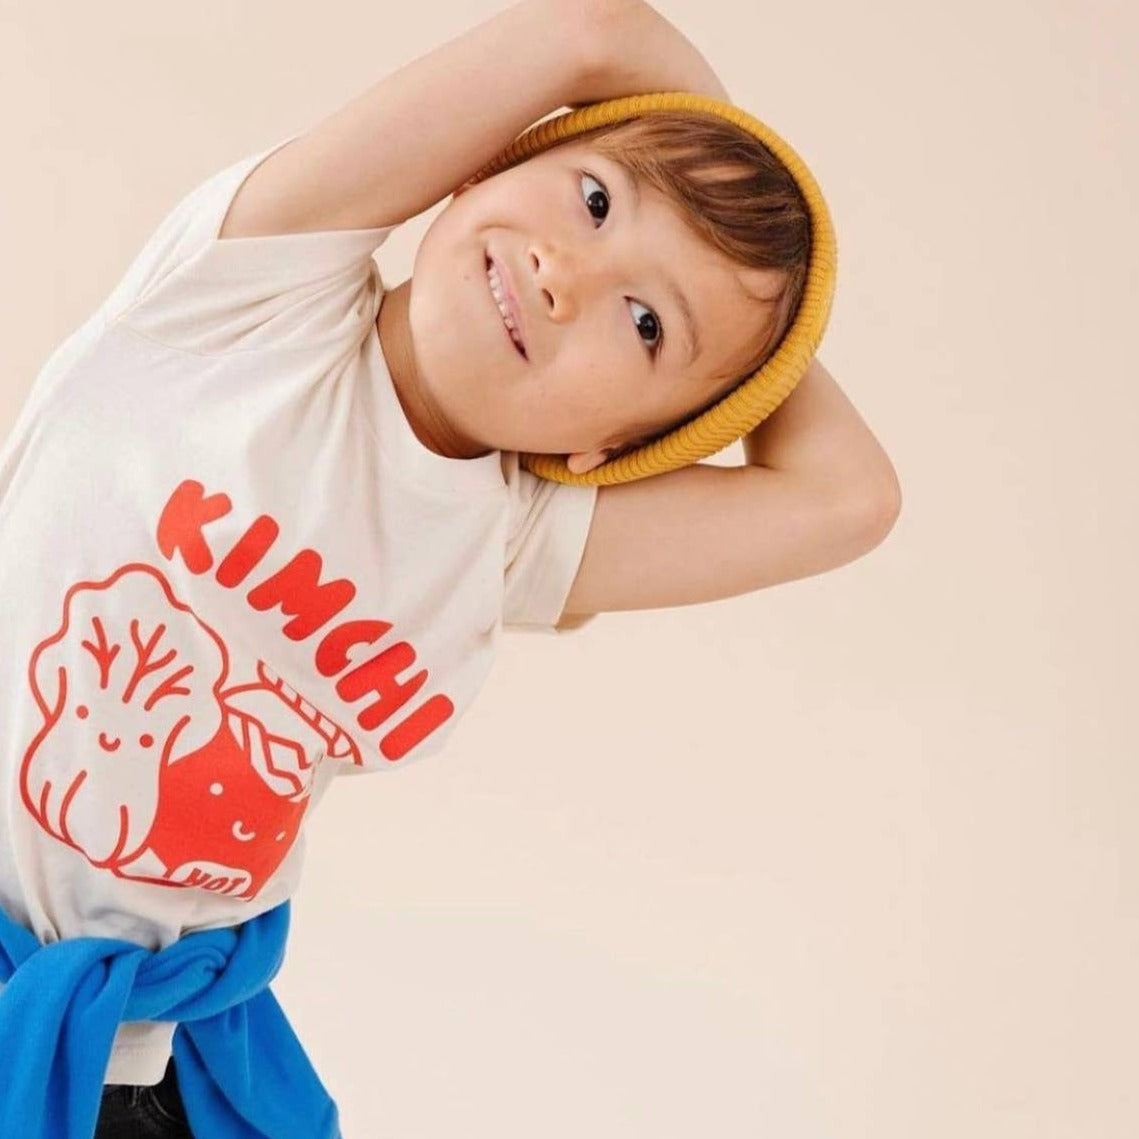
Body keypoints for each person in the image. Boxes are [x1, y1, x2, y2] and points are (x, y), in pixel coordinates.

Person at [0, 0, 900, 1134]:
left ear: (611, 448)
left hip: (116, 1068)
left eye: (644, 323)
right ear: (480, 167)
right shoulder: (244, 293)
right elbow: (591, 30)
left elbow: (849, 500)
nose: (567, 274)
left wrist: (761, 313)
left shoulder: (513, 539)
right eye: (592, 199)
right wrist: (711, 159)